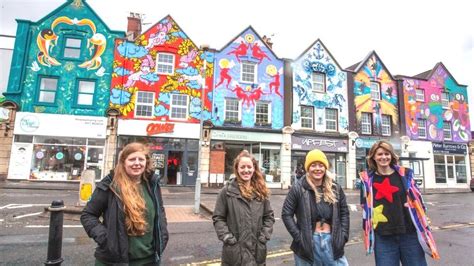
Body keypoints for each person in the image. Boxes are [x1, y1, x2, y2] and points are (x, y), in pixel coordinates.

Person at [81, 142, 168, 265]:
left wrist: (163, 235)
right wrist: (106, 240)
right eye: (132, 159)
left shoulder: (152, 184)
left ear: (146, 162)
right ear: (123, 162)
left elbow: (160, 211)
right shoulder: (110, 185)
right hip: (114, 261)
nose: (137, 163)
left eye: (141, 159)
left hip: (150, 260)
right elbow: (88, 215)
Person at [359, 140, 440, 265]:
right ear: (373, 157)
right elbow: (365, 207)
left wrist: (421, 213)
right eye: (379, 154)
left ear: (392, 155)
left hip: (409, 234)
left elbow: (418, 199)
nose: (383, 157)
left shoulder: (405, 175)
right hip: (383, 237)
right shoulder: (367, 181)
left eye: (387, 153)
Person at [282, 149, 349, 265]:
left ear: (325, 168)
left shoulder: (336, 188)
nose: (317, 168)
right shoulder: (298, 188)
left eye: (321, 165)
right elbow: (286, 214)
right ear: (308, 168)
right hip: (307, 246)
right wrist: (300, 238)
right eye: (313, 165)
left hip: (332, 242)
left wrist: (343, 237)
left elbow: (344, 213)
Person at [212, 150, 275, 265]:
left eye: (249, 167)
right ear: (237, 169)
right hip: (234, 254)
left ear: (254, 169)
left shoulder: (261, 192)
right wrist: (227, 237)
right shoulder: (226, 192)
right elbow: (218, 218)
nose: (246, 170)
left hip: (257, 253)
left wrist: (263, 237)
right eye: (242, 167)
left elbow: (269, 217)